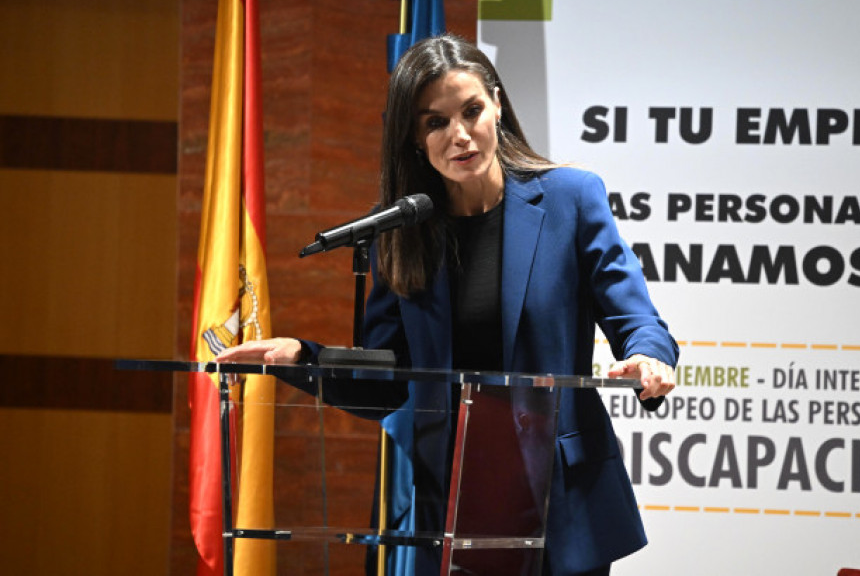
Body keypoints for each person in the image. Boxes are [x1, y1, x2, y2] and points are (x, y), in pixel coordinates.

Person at [217, 33, 678, 576]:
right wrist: (303, 359)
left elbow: (635, 316)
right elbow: (387, 382)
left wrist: (648, 357)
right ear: (415, 138)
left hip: (560, 496)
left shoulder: (571, 199)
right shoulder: (401, 232)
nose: (459, 135)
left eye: (472, 111)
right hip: (456, 499)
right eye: (435, 122)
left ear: (498, 106)